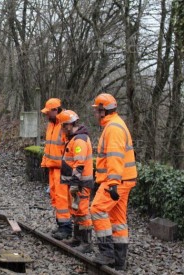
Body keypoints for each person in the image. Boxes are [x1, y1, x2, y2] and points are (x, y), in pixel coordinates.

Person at [90, 93, 137, 270]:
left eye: (97, 111)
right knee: (117, 220)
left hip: (117, 181)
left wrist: (112, 184)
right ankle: (119, 260)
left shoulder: (114, 128)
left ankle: (107, 253)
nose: (95, 114)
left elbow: (115, 158)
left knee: (97, 209)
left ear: (103, 111)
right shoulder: (114, 125)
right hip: (123, 180)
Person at [58, 110, 94, 253]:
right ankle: (77, 239)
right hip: (77, 182)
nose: (62, 128)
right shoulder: (75, 138)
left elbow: (79, 163)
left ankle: (86, 243)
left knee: (83, 211)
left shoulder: (79, 140)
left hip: (81, 183)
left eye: (63, 125)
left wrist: (75, 181)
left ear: (68, 125)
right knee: (77, 210)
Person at [40, 98, 72, 240]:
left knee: (62, 198)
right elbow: (49, 147)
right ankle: (61, 224)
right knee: (55, 197)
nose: (46, 115)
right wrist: (45, 163)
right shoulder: (51, 125)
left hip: (61, 168)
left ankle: (66, 228)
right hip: (53, 167)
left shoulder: (65, 124)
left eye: (48, 112)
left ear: (55, 110)